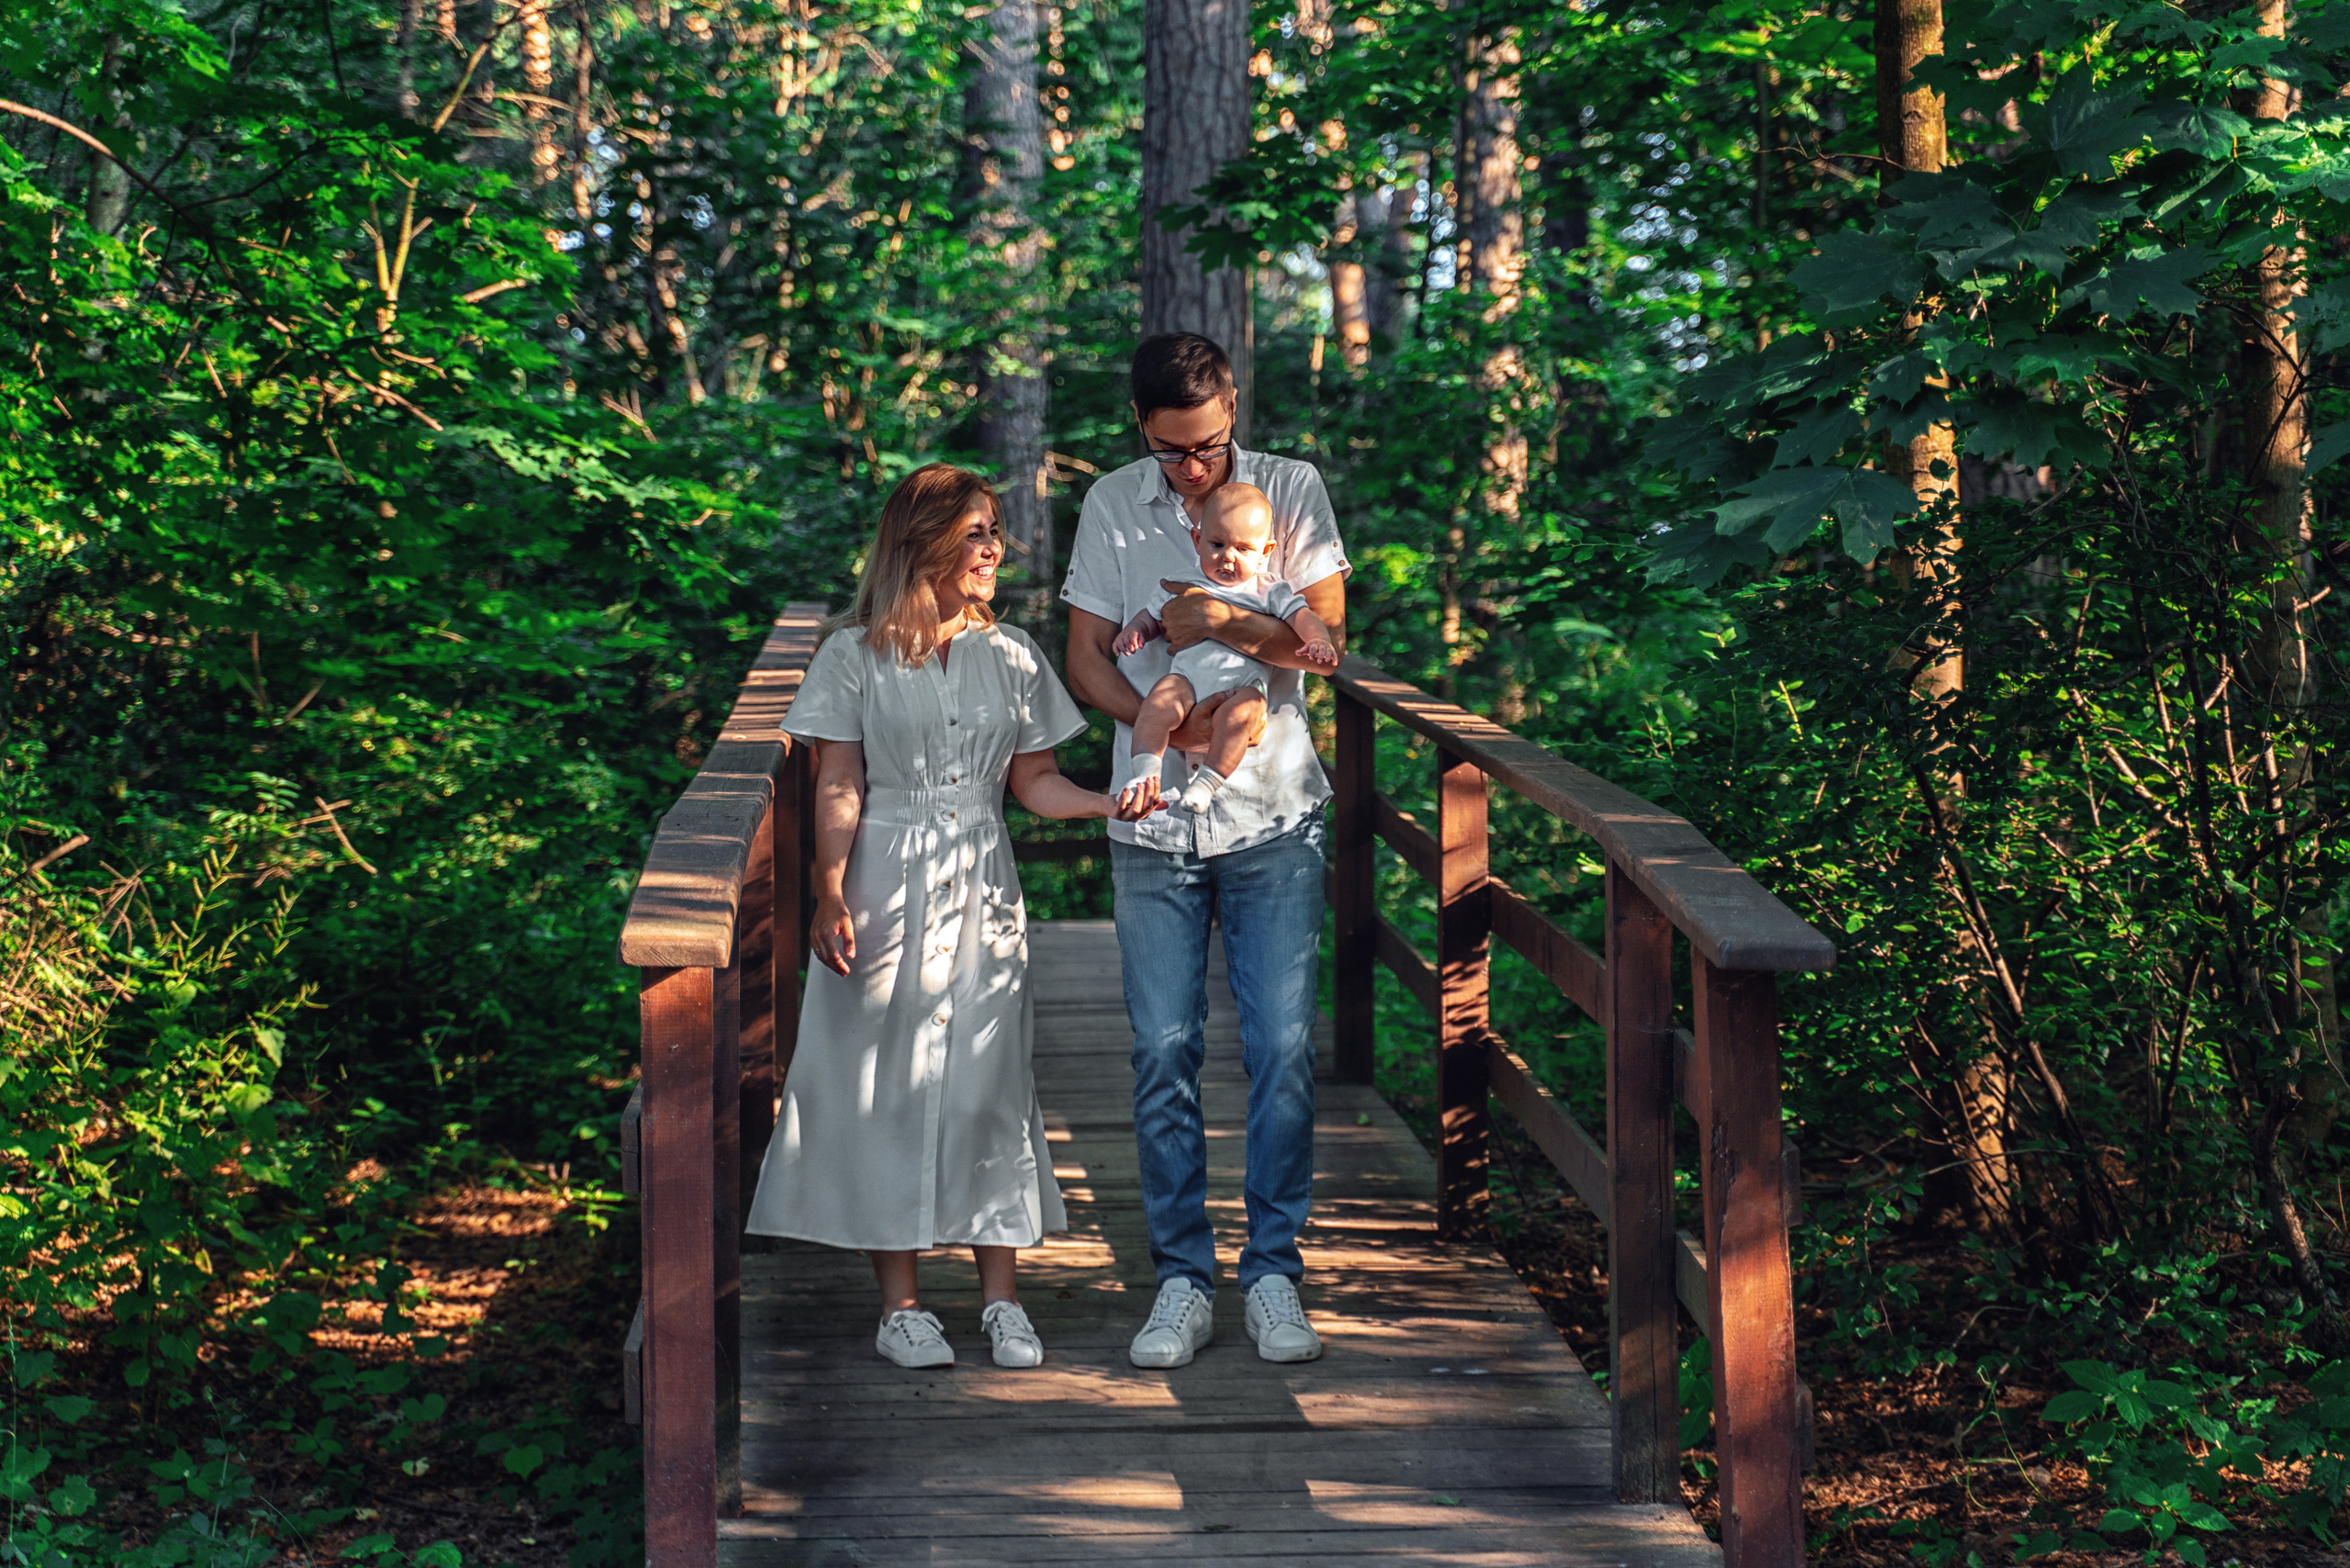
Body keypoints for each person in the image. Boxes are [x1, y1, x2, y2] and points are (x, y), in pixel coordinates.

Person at [744, 463, 1158, 1370]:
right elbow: (840, 780)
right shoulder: (852, 655)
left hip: (981, 878)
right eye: (974, 531)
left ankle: (1001, 1300)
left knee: (987, 1080)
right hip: (882, 880)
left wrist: (1106, 802)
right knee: (884, 1083)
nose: (992, 547)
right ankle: (900, 1306)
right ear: (919, 541)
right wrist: (826, 890)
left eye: (995, 531)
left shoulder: (1011, 653)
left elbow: (1036, 784)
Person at [1061, 332, 1349, 1369]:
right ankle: (1182, 1276)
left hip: (1273, 817)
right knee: (1162, 1050)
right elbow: (1086, 656)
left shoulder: (1291, 489)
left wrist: (1217, 615)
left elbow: (1324, 638)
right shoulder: (1110, 505)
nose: (1194, 471)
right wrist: (1167, 720)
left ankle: (1272, 1270)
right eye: (1173, 451)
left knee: (1277, 1046)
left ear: (1234, 409)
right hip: (1154, 823)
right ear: (1140, 426)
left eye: (1210, 447)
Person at [1113, 482, 1338, 817]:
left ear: (1265, 552)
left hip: (1241, 687)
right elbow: (1151, 616)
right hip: (1186, 680)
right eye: (1217, 544)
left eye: (1244, 549)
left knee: (1243, 714)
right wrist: (1134, 631)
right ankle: (1147, 772)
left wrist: (1317, 640)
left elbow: (1304, 617)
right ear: (1197, 541)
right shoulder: (1184, 583)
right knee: (1157, 703)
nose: (1228, 558)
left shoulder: (1267, 590)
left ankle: (1206, 784)